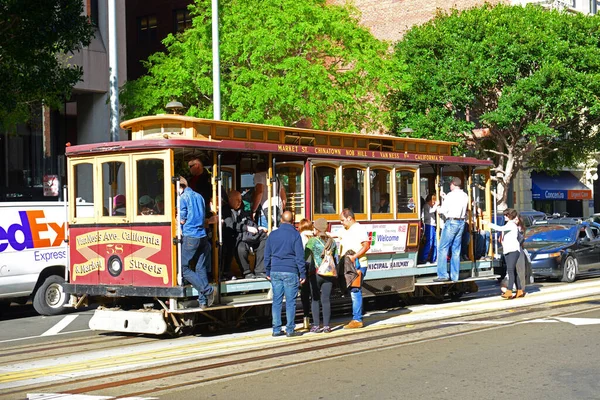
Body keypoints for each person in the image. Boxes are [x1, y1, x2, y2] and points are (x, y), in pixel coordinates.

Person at [265, 211, 306, 337]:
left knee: (276, 301)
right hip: (291, 271)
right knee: (290, 301)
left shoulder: (273, 234)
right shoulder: (295, 235)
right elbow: (300, 256)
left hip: (275, 270)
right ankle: (290, 329)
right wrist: (302, 273)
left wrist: (267, 270)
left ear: (281, 220)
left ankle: (276, 329)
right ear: (293, 221)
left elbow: (267, 255)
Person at [179, 177, 215, 308]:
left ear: (179, 186)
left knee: (183, 268)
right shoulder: (199, 196)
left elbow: (182, 219)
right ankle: (203, 301)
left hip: (190, 236)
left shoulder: (183, 198)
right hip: (202, 235)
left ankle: (208, 290)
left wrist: (179, 219)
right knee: (200, 268)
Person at [223, 190, 266, 279]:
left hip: (247, 236)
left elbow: (249, 221)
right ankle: (246, 272)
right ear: (230, 199)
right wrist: (246, 228)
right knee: (240, 248)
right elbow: (230, 225)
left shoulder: (242, 210)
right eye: (237, 200)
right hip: (235, 238)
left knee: (264, 237)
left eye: (240, 200)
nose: (240, 202)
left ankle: (260, 270)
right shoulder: (226, 210)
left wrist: (257, 228)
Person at [338, 208, 371, 329]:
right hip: (348, 265)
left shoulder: (359, 229)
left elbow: (366, 245)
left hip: (357, 264)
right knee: (353, 291)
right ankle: (356, 317)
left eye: (342, 220)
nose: (341, 222)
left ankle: (357, 320)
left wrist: (354, 257)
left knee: (355, 291)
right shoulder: (345, 230)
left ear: (349, 218)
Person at [483, 208, 524, 299]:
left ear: (510, 216)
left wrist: (487, 224)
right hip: (510, 250)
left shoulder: (511, 225)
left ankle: (509, 291)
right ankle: (519, 290)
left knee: (510, 270)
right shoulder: (510, 225)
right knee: (513, 271)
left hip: (512, 250)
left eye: (506, 215)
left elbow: (499, 228)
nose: (504, 217)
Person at [306, 218, 337, 333]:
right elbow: (336, 258)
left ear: (317, 229)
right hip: (328, 273)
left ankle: (316, 326)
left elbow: (305, 256)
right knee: (326, 299)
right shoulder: (332, 241)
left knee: (315, 299)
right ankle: (327, 326)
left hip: (316, 273)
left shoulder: (312, 241)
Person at [434, 177, 468, 282]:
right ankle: (455, 276)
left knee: (443, 248)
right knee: (456, 250)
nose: (449, 186)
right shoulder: (465, 195)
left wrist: (437, 207)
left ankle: (443, 275)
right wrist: (445, 198)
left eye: (450, 184)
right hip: (461, 222)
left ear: (453, 184)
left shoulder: (450, 195)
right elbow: (456, 206)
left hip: (451, 222)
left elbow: (443, 210)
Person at [252, 163, 287, 229]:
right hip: (278, 213)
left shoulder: (258, 175)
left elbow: (259, 192)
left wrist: (253, 210)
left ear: (257, 170)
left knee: (265, 236)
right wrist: (281, 210)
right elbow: (284, 198)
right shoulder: (277, 179)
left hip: (265, 213)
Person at [298, 219, 314, 330]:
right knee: (314, 295)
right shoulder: (313, 238)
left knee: (304, 295)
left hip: (304, 268)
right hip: (313, 268)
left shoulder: (299, 238)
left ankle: (306, 319)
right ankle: (315, 319)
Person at [419, 194, 439, 264]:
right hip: (428, 225)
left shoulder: (429, 206)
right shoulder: (426, 206)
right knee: (429, 242)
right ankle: (423, 258)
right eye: (433, 201)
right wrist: (437, 205)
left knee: (434, 242)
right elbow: (432, 211)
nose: (433, 203)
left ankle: (433, 258)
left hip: (432, 225)